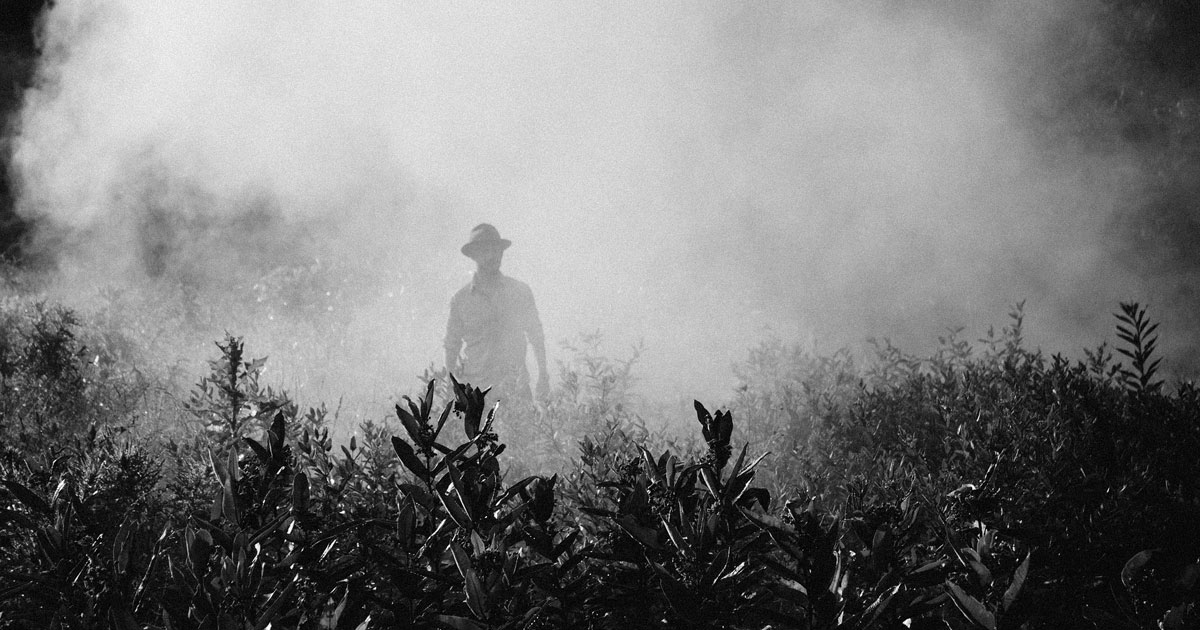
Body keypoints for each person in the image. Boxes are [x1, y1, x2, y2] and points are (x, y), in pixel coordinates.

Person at [444, 223, 549, 402]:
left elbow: (536, 334)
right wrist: (450, 385)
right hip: (478, 395)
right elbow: (451, 345)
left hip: (516, 390)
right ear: (474, 255)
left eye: (497, 250)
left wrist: (543, 375)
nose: (494, 255)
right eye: (486, 250)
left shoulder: (519, 292)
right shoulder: (461, 300)